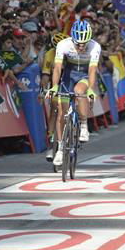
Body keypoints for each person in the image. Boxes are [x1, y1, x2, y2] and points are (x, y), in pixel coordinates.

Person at [47, 20, 101, 167]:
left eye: (85, 43)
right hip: (68, 75)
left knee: (79, 91)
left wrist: (90, 88)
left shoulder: (95, 46)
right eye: (78, 43)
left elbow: (92, 70)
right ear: (72, 39)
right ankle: (60, 149)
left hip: (84, 75)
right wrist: (54, 86)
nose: (81, 46)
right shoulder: (63, 44)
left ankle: (84, 125)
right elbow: (57, 67)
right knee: (61, 114)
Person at [41, 31, 69, 162]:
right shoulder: (49, 54)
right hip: (55, 84)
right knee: (54, 109)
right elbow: (46, 75)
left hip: (68, 82)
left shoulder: (71, 54)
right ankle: (52, 143)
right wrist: (43, 89)